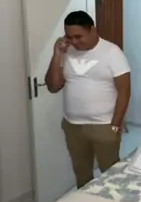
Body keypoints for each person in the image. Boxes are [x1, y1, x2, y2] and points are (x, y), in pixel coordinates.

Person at [45, 10, 131, 188]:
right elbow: (53, 87)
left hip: (104, 125)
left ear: (93, 30)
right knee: (82, 173)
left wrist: (115, 125)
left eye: (79, 36)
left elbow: (124, 92)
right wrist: (57, 54)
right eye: (70, 37)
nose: (74, 42)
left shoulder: (112, 52)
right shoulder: (66, 51)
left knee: (111, 176)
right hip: (73, 126)